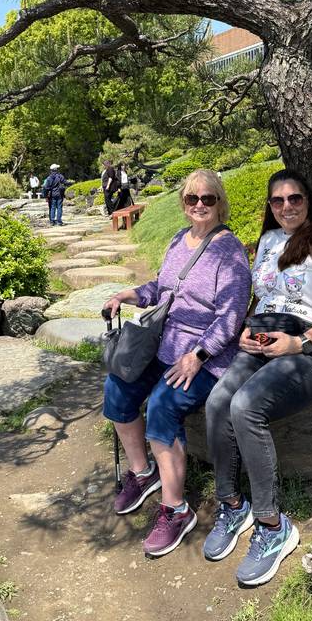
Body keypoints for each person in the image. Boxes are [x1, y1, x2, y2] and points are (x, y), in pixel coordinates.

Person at [203, 168, 312, 587]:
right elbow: (264, 294)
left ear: (308, 201)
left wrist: (300, 343)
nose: (287, 206)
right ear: (270, 207)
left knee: (246, 405)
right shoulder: (270, 241)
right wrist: (246, 331)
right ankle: (232, 503)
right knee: (218, 401)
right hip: (265, 338)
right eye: (278, 201)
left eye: (295, 198)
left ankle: (272, 525)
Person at [101, 169, 251, 557]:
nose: (200, 205)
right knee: (117, 387)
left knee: (164, 407)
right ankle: (143, 471)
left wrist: (198, 355)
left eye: (208, 199)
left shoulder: (230, 250)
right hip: (165, 343)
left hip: (207, 354)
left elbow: (231, 317)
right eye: (192, 199)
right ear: (183, 204)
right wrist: (129, 294)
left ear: (220, 202)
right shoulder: (176, 241)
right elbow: (162, 290)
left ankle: (175, 509)